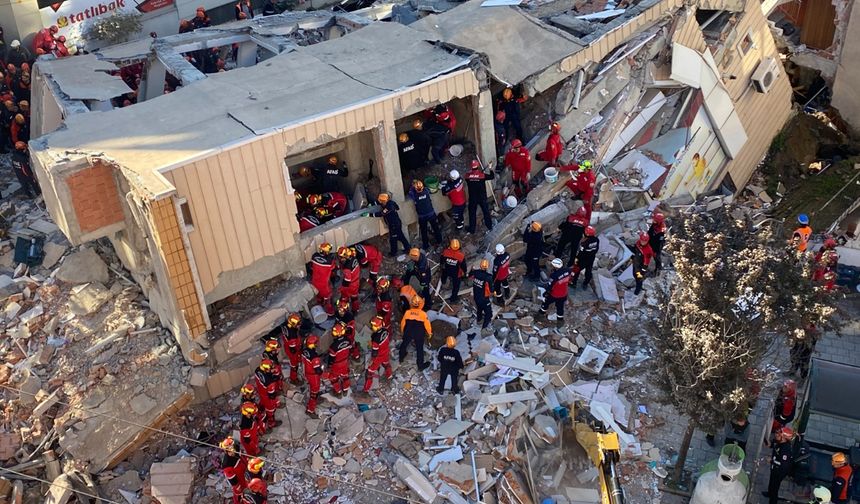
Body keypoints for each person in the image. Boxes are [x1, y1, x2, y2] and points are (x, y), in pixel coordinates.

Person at [762, 426, 795, 503]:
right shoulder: (779, 441)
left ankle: (773, 501)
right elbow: (774, 445)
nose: (776, 435)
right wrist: (769, 445)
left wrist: (772, 461)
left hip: (779, 471)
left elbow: (783, 464)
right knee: (771, 482)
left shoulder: (786, 450)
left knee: (775, 488)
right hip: (774, 468)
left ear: (784, 438)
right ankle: (769, 493)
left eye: (779, 434)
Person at [408, 180, 443, 249]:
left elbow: (410, 192)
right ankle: (439, 241)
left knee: (424, 231)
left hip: (422, 216)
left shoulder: (414, 195)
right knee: (436, 228)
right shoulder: (426, 191)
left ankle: (426, 245)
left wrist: (413, 186)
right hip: (431, 213)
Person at [400, 296, 432, 370]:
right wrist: (429, 333)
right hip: (419, 332)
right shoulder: (423, 314)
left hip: (409, 331)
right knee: (419, 348)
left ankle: (401, 358)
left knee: (404, 344)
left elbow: (403, 323)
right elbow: (427, 325)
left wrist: (402, 331)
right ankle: (420, 366)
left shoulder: (407, 312)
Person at [464, 160, 495, 234]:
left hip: (473, 198)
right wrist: (490, 168)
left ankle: (472, 229)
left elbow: (469, 176)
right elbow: (492, 176)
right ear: (478, 166)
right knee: (486, 212)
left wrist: (474, 174)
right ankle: (489, 226)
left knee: (472, 213)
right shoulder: (482, 175)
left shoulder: (467, 176)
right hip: (482, 197)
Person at [363, 315, 392, 392]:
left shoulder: (375, 338)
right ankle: (389, 377)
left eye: (373, 326)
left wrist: (371, 360)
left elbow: (375, 352)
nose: (372, 327)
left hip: (378, 356)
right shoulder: (386, 330)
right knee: (386, 364)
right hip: (386, 352)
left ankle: (366, 390)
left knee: (369, 373)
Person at [308, 243, 337, 315]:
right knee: (327, 297)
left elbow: (311, 267)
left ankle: (320, 305)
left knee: (318, 295)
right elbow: (333, 268)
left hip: (314, 282)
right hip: (324, 284)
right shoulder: (330, 261)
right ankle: (329, 311)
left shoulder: (314, 256)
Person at [253, 359, 280, 429]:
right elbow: (272, 396)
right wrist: (276, 402)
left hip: (261, 391)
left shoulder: (257, 370)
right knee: (271, 410)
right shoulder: (269, 383)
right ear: (266, 369)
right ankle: (271, 423)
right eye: (270, 369)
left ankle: (261, 409)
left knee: (262, 403)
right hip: (267, 396)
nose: (271, 369)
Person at [220, 437, 247, 504]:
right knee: (238, 494)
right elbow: (232, 479)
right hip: (237, 480)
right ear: (226, 451)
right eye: (230, 450)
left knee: (245, 487)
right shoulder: (227, 464)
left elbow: (242, 456)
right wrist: (238, 486)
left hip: (243, 472)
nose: (233, 451)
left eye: (233, 448)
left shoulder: (236, 449)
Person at [328, 322, 352, 397]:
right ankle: (345, 390)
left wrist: (329, 366)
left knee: (333, 378)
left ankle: (338, 392)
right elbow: (350, 349)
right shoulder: (348, 340)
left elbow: (331, 359)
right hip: (345, 362)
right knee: (345, 376)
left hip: (336, 365)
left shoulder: (333, 346)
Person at [468, 259, 493, 329]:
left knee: (479, 309)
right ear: (487, 267)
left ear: (480, 266)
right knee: (489, 314)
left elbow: (470, 276)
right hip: (484, 299)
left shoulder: (476, 272)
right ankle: (484, 328)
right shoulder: (488, 277)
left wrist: (471, 270)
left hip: (476, 296)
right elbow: (491, 290)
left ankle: (479, 320)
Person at [301, 335, 323, 417]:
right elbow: (318, 370)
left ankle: (314, 401)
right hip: (313, 376)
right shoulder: (314, 356)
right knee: (314, 393)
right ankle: (310, 410)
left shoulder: (305, 351)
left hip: (307, 372)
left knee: (313, 391)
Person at [280, 313, 304, 385]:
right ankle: (293, 378)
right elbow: (293, 350)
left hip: (289, 346)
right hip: (292, 350)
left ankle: (299, 364)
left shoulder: (286, 325)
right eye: (297, 324)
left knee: (298, 359)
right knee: (294, 365)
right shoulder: (292, 335)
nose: (299, 325)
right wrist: (299, 348)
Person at [337, 246, 361, 312]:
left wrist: (342, 289)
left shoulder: (347, 268)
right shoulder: (353, 258)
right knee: (354, 297)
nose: (340, 258)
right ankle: (355, 310)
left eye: (341, 257)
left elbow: (347, 281)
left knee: (344, 297)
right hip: (356, 281)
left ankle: (344, 309)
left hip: (351, 284)